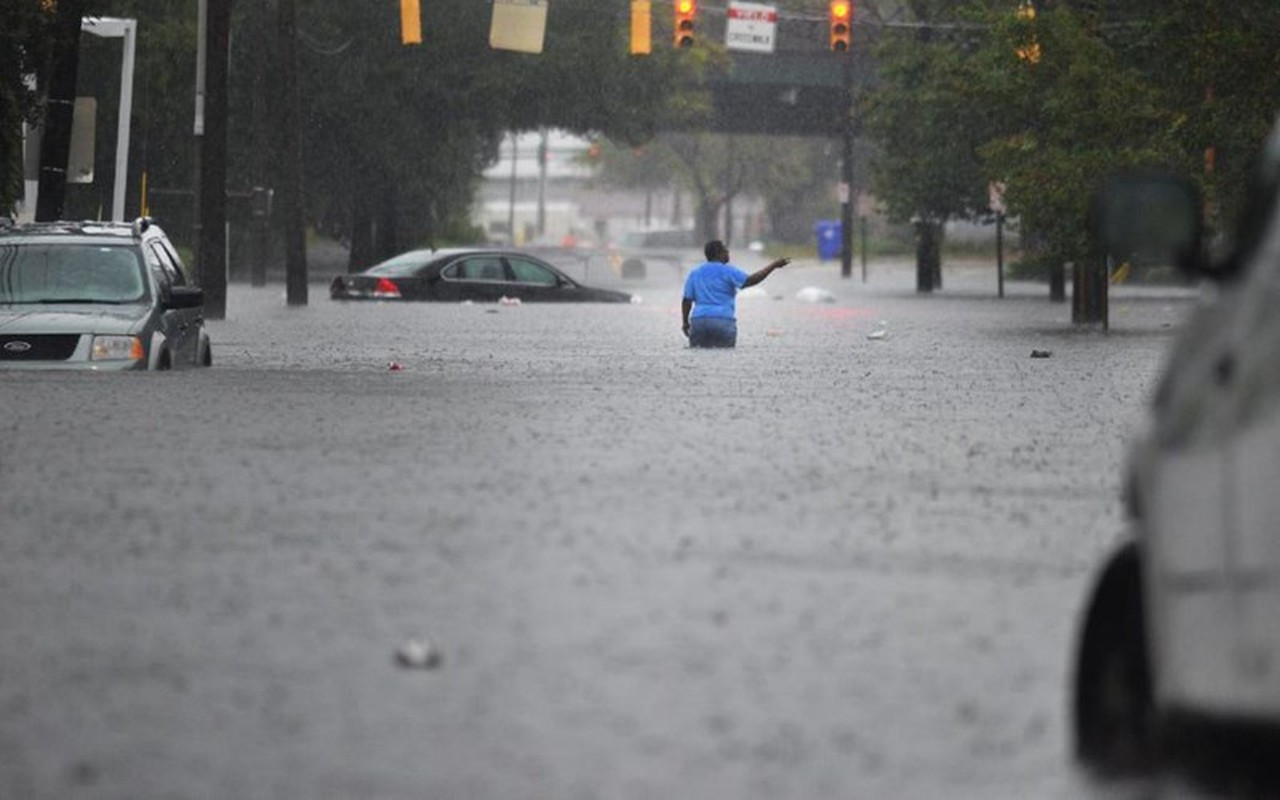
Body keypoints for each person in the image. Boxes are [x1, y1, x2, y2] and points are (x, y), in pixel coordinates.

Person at [682, 240, 790, 348]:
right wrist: (773, 265)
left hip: (699, 321)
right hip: (723, 321)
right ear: (719, 253)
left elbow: (686, 300)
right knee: (725, 357)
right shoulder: (729, 271)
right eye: (725, 249)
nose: (728, 251)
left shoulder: (695, 273)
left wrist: (685, 323)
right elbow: (751, 280)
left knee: (698, 354)